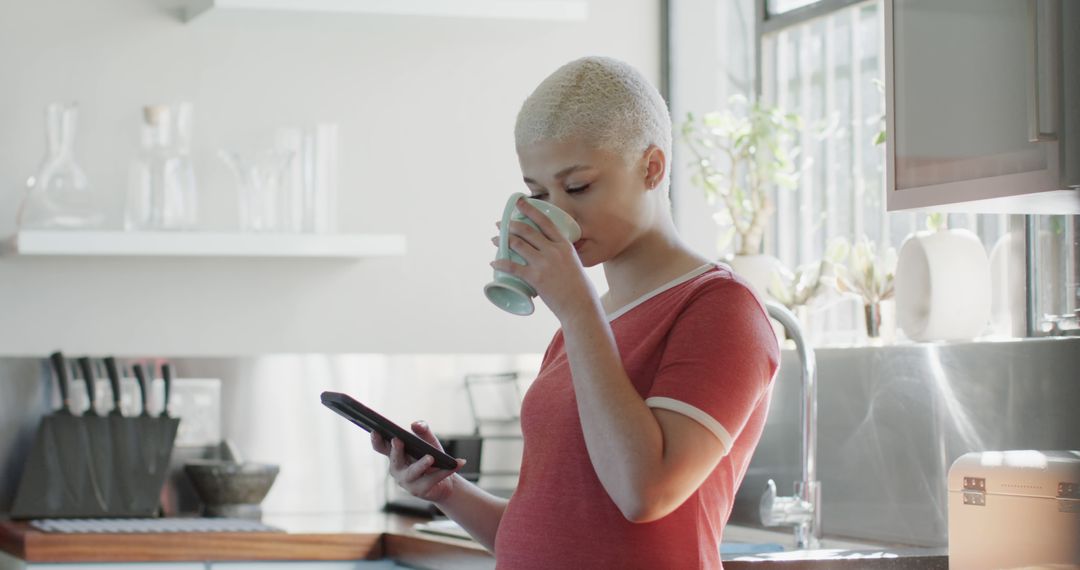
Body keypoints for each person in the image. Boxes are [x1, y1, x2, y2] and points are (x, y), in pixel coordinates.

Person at [370, 55, 779, 569]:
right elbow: (546, 532)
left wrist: (578, 308)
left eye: (578, 187)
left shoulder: (720, 308)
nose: (554, 213)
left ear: (652, 168)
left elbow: (644, 493)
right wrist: (446, 490)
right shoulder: (584, 323)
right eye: (538, 194)